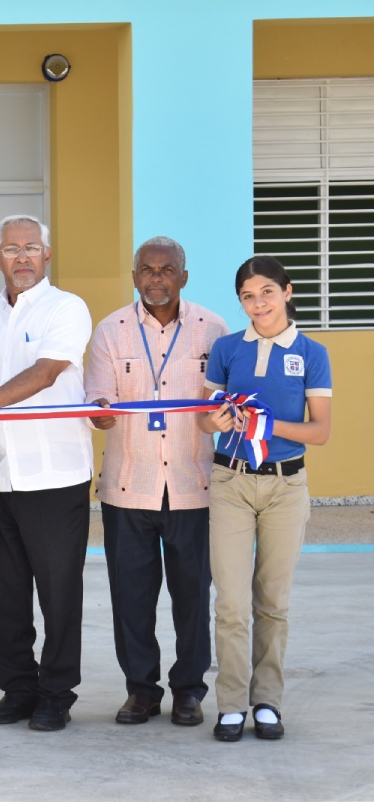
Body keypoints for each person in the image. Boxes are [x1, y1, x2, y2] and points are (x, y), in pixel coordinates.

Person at [0, 214, 93, 732]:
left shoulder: (67, 308)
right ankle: (18, 689)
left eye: (32, 247)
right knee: (5, 595)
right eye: (11, 248)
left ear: (47, 255)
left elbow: (47, 373)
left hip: (55, 474)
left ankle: (56, 694)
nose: (22, 256)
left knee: (58, 593)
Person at [85, 237, 228, 727]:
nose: (156, 278)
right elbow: (98, 399)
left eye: (167, 269)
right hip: (129, 487)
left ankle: (189, 691)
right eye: (147, 269)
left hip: (194, 485)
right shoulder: (111, 331)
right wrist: (100, 415)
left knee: (192, 595)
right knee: (131, 597)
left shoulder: (214, 330)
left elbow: (224, 401)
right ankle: (141, 691)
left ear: (183, 277)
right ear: (134, 276)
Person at [199, 256, 331, 742]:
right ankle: (231, 705)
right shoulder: (226, 348)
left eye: (267, 292)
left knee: (272, 602)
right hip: (231, 483)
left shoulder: (311, 352)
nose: (259, 303)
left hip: (285, 486)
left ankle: (267, 702)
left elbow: (320, 432)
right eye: (249, 296)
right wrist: (215, 422)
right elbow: (204, 417)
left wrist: (266, 425)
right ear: (240, 302)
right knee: (231, 603)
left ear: (287, 292)